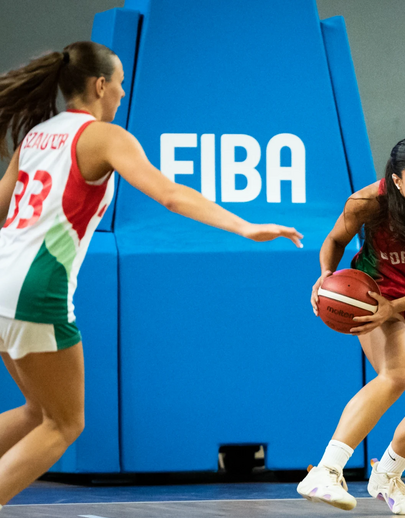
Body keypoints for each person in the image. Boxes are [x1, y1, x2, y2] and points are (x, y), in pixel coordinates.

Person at [0, 41, 302, 508]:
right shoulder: (102, 136)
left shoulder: (36, 137)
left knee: (38, 412)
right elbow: (171, 195)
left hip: (3, 277)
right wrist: (245, 226)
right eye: (119, 82)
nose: (122, 92)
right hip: (37, 288)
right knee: (66, 424)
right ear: (100, 85)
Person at [297, 138, 405, 515]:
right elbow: (334, 240)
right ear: (395, 180)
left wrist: (400, 307)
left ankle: (388, 475)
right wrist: (325, 276)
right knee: (396, 374)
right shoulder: (368, 202)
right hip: (374, 299)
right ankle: (326, 471)